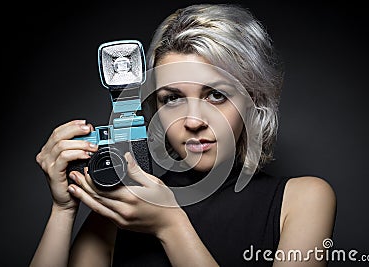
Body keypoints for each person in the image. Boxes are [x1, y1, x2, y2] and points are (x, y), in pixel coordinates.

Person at [30, 3, 336, 267]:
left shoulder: (302, 199)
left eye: (216, 95)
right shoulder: (123, 206)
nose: (193, 121)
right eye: (172, 98)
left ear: (253, 100)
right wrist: (63, 209)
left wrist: (170, 225)